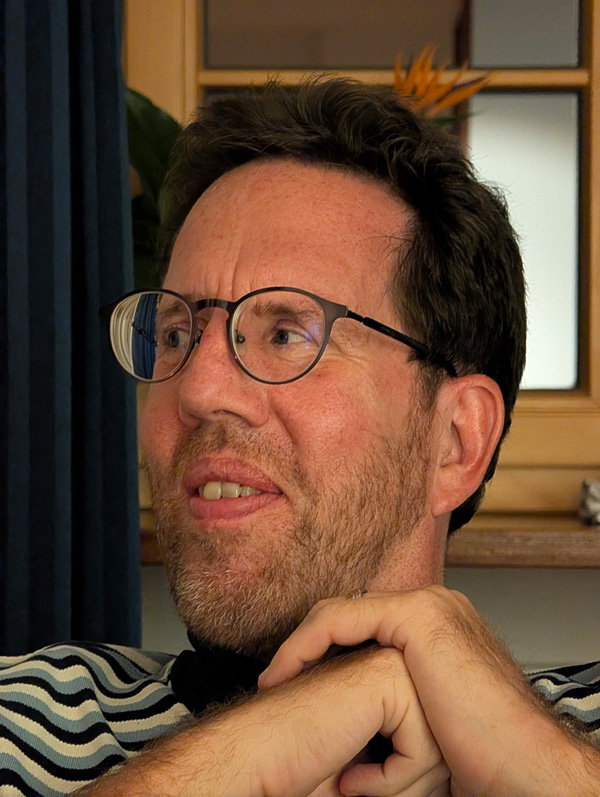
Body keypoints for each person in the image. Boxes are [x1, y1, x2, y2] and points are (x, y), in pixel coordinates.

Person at [1, 78, 599, 796]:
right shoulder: (23, 721)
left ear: (456, 442)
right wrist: (257, 748)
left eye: (286, 333)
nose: (197, 390)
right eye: (177, 335)